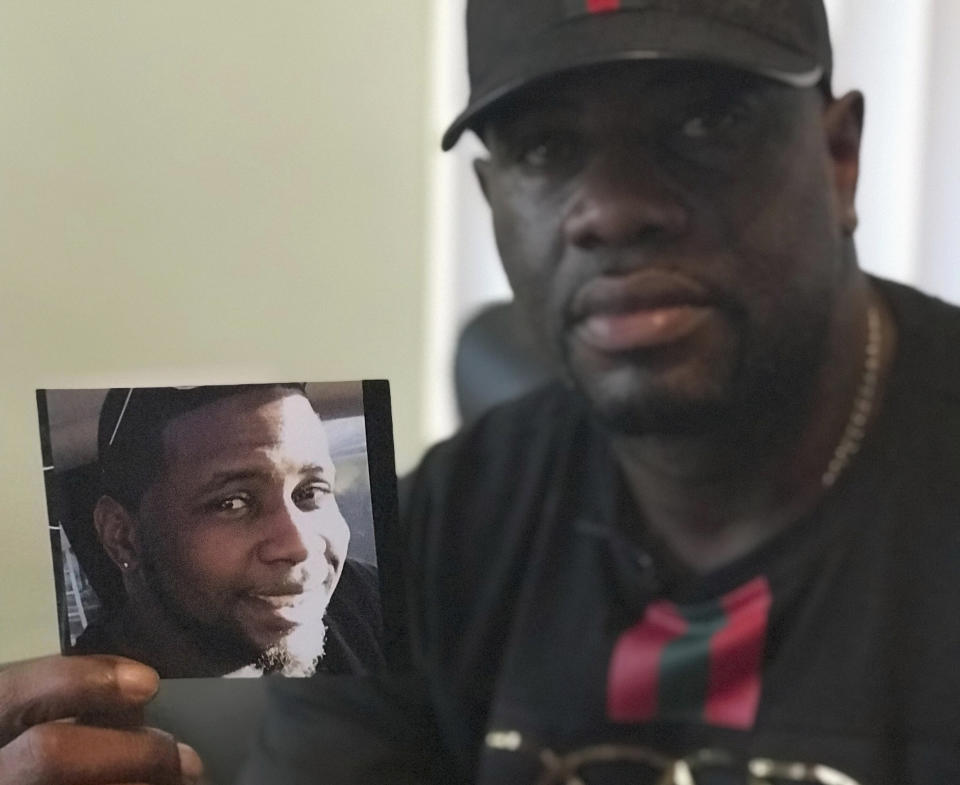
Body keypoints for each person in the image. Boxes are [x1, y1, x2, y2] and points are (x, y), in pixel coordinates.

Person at [1, 1, 958, 783]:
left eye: (705, 122)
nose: (612, 207)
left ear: (840, 157)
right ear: (498, 206)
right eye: (545, 147)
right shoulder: (453, 529)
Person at [73, 383, 382, 679]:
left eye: (311, 492)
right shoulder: (76, 713)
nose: (299, 545)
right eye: (232, 503)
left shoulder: (370, 603)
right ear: (123, 538)